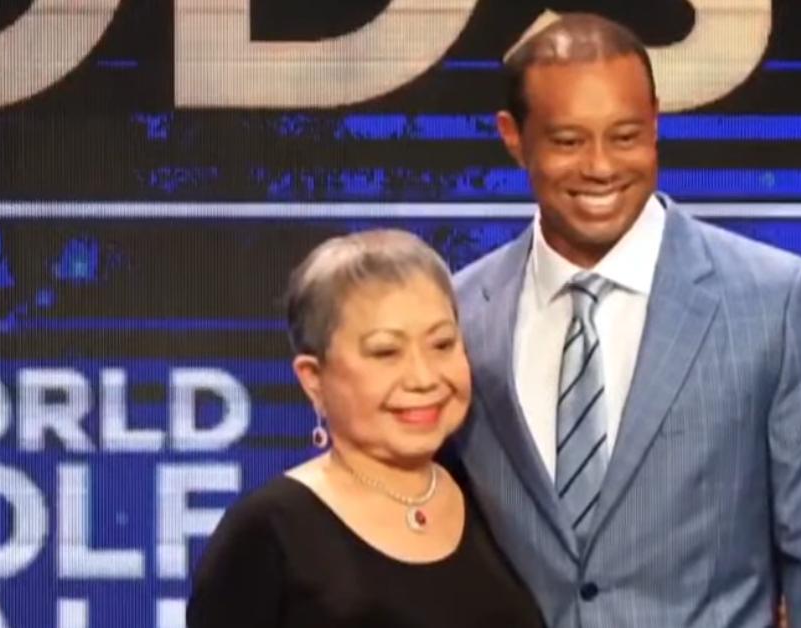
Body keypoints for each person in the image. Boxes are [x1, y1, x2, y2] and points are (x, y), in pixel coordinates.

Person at [451, 13, 801, 628]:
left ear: (655, 123)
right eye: (568, 141)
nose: (600, 167)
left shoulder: (774, 301)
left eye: (625, 136)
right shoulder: (460, 315)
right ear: (513, 137)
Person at [187, 229, 544, 628]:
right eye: (386, 352)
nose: (424, 378)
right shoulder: (268, 534)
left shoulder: (493, 496)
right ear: (313, 378)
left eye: (442, 344)